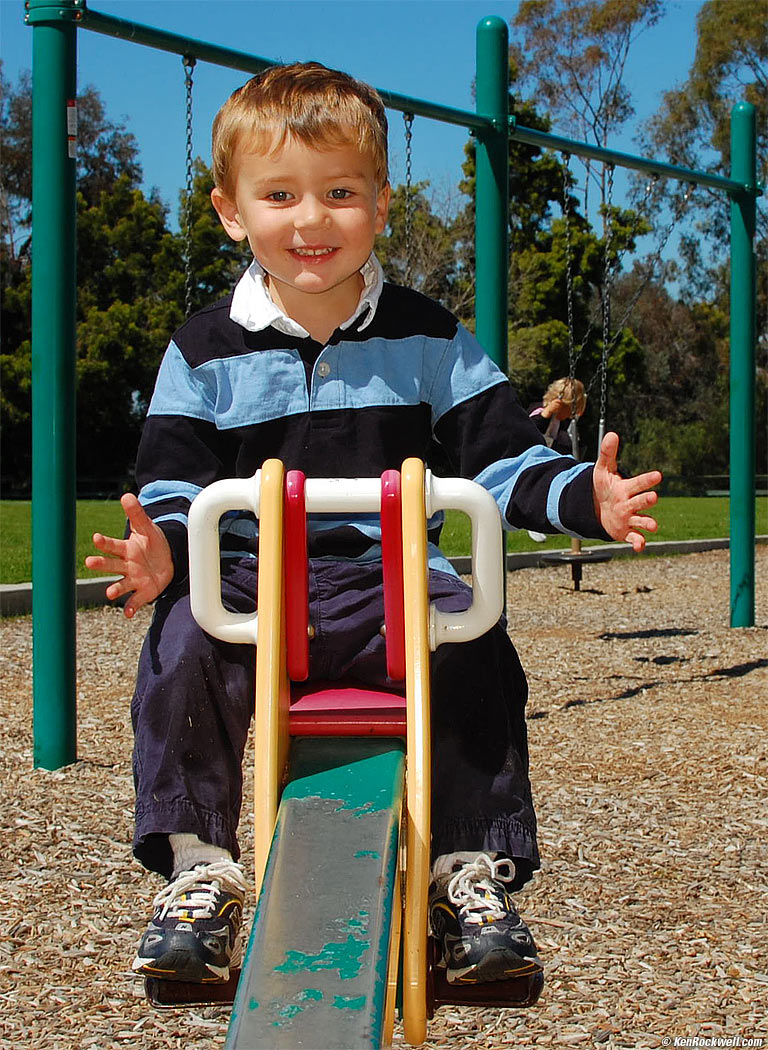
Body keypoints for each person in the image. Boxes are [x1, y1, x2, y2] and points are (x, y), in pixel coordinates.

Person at [86, 63, 661, 989]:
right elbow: (174, 481)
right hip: (250, 582)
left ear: (382, 205)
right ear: (233, 212)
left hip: (386, 580)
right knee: (183, 638)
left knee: (470, 632)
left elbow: (503, 456)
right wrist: (163, 549)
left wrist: (580, 501)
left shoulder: (429, 337)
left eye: (340, 193)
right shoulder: (202, 349)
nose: (311, 220)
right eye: (280, 195)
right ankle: (199, 872)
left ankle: (466, 871)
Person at [526, 377, 587, 541]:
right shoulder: (539, 411)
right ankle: (532, 525)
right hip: (529, 460)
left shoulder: (563, 423)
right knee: (533, 493)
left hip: (547, 460)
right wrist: (546, 414)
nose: (570, 416)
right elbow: (528, 430)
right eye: (569, 410)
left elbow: (566, 441)